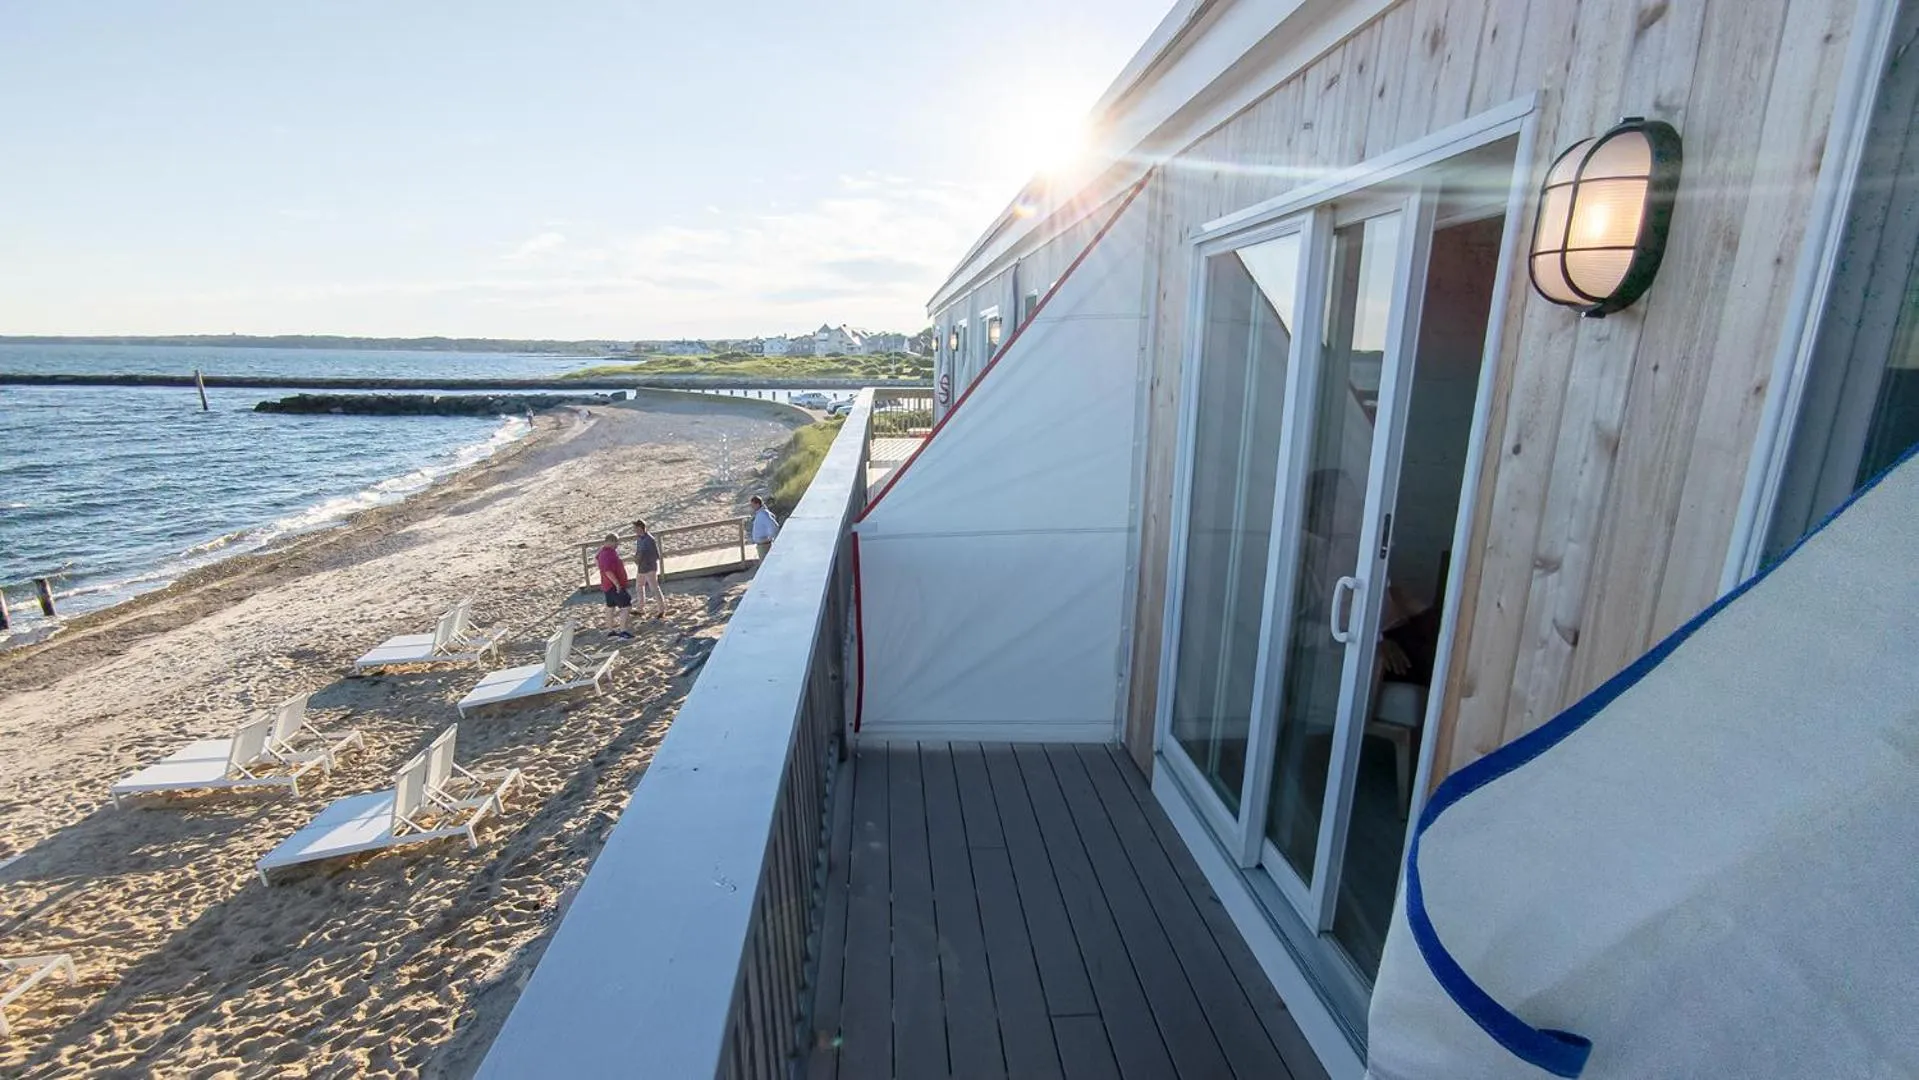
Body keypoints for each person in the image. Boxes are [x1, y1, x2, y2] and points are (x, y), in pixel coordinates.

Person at [595, 533, 633, 638]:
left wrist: (601, 570)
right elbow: (608, 571)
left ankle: (610, 630)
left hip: (606, 584)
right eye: (616, 542)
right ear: (611, 541)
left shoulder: (602, 551)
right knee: (626, 606)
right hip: (613, 585)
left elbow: (596, 559)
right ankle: (623, 630)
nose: (617, 545)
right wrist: (617, 584)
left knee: (610, 606)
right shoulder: (608, 554)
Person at [633, 518, 666, 619]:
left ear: (640, 528)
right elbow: (638, 551)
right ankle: (640, 608)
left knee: (654, 588)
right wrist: (636, 558)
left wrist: (642, 558)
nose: (634, 530)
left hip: (650, 567)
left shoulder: (649, 539)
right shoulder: (639, 538)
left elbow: (655, 555)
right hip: (641, 567)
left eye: (635, 528)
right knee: (639, 586)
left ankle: (662, 610)